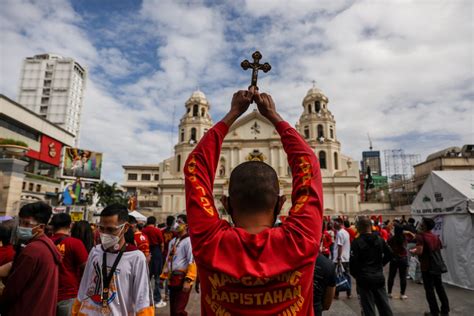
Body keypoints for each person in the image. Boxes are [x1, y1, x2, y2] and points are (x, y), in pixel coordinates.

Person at [183, 88, 323, 314]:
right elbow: (310, 165)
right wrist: (274, 117)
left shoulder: (210, 243)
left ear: (225, 205)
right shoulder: (301, 240)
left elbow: (195, 167)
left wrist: (232, 114)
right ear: (281, 204)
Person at [72, 204, 154, 315]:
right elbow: (84, 287)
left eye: (111, 229)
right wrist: (76, 312)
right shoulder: (95, 251)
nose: (105, 234)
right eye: (101, 228)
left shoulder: (136, 257)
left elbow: (143, 299)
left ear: (125, 228)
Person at [1, 202, 61, 316]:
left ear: (41, 227)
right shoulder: (48, 245)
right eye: (21, 222)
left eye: (27, 223)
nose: (21, 227)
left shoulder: (32, 250)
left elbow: (13, 289)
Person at [350, 216, 393, 316]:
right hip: (377, 276)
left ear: (359, 227)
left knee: (368, 308)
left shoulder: (356, 242)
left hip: (364, 279)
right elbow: (390, 254)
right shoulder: (379, 239)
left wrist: (358, 275)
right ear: (370, 226)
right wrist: (380, 265)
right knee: (384, 306)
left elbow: (352, 264)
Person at [50, 213, 89, 316]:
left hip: (47, 293)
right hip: (68, 294)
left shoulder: (45, 242)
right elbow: (87, 268)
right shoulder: (75, 243)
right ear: (70, 225)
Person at [410, 218, 450, 316]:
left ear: (425, 226)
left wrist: (413, 251)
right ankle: (445, 311)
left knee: (430, 290)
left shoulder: (421, 236)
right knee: (440, 288)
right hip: (437, 265)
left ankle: (434, 312)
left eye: (422, 223)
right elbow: (438, 248)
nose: (420, 224)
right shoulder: (435, 237)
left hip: (427, 267)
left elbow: (420, 251)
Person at [161, 215, 196, 316]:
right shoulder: (173, 241)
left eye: (179, 222)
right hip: (173, 279)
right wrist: (163, 276)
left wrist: (188, 280)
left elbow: (192, 260)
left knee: (179, 311)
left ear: (186, 225)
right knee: (173, 310)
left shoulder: (189, 241)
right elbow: (168, 260)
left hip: (183, 279)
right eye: (176, 221)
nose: (176, 224)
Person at [142, 216, 166, 308]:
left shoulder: (143, 230)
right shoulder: (157, 231)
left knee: (146, 278)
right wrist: (160, 253)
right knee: (157, 278)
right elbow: (162, 244)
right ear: (155, 222)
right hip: (156, 253)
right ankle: (157, 299)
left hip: (146, 253)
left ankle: (146, 299)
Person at [387, 224, 409, 299]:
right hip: (403, 259)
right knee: (403, 277)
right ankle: (402, 294)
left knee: (391, 276)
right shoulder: (404, 239)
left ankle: (389, 293)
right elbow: (413, 236)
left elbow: (388, 243)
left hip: (394, 259)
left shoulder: (392, 238)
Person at [333, 218, 351, 299]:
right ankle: (349, 292)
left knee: (337, 275)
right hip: (346, 258)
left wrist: (339, 258)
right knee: (346, 275)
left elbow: (340, 246)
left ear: (339, 223)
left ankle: (336, 294)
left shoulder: (340, 233)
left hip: (340, 258)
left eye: (335, 223)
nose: (333, 225)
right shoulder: (346, 232)